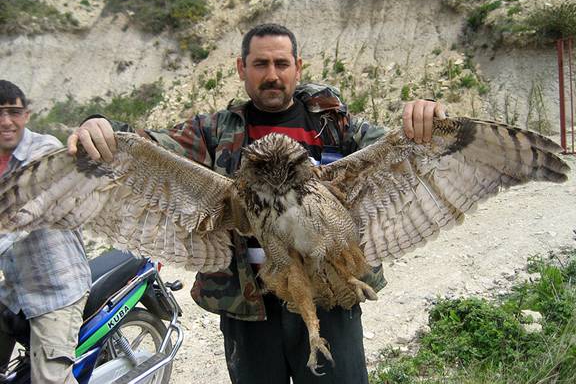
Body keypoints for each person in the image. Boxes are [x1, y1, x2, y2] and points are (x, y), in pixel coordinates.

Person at [68, 24, 444, 383]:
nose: (272, 74)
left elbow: (408, 151)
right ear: (241, 68)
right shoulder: (212, 132)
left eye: (281, 64)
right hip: (248, 306)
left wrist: (427, 117)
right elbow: (144, 149)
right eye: (260, 64)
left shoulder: (337, 127)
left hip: (329, 294)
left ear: (298, 67)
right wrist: (100, 125)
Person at [0, 80, 92, 384]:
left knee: (49, 380)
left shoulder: (45, 151)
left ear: (26, 114)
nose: (5, 121)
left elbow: (29, 208)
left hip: (56, 290)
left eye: (13, 112)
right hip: (16, 287)